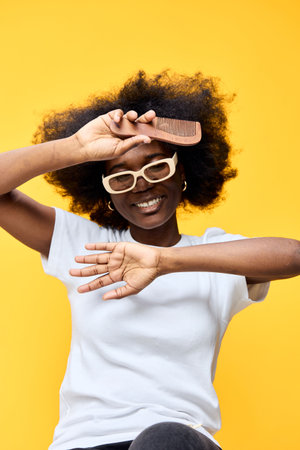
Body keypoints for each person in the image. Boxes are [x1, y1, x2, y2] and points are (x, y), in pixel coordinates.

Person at [0, 70, 299, 450]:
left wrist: (165, 261)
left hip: (174, 440)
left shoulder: (214, 257)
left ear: (184, 172)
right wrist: (77, 147)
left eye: (157, 166)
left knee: (164, 438)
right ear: (105, 193)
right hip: (82, 442)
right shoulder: (87, 244)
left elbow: (293, 255)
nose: (141, 185)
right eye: (120, 177)